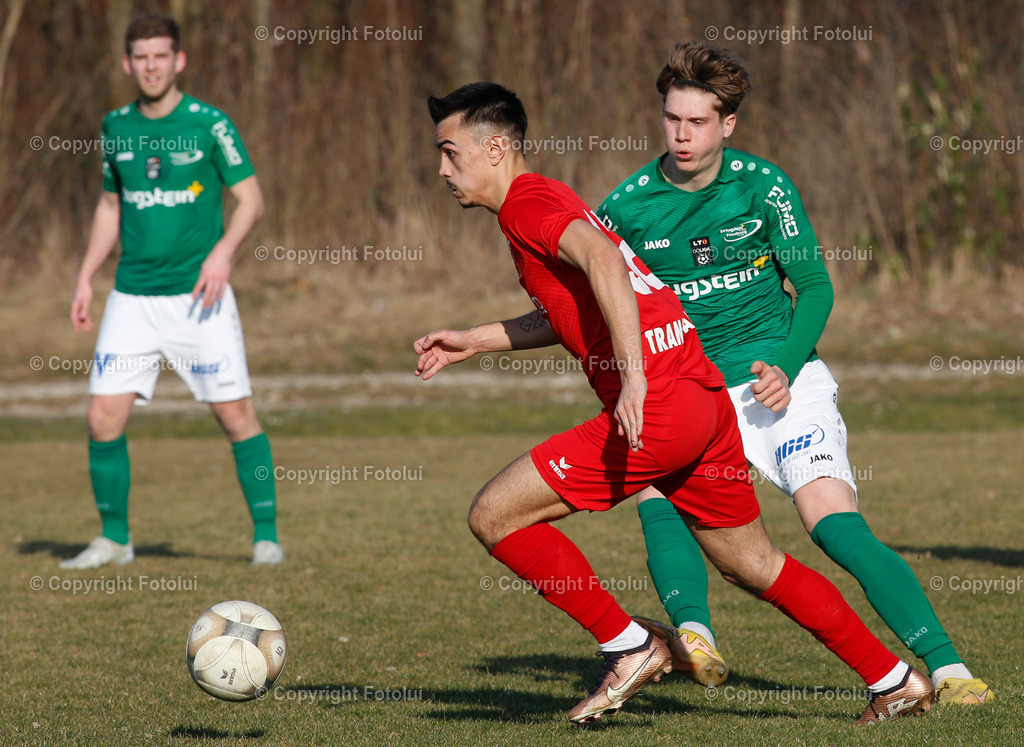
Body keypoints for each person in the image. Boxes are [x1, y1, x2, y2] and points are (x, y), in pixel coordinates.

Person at [416, 81, 933, 724]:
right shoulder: (543, 200)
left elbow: (605, 263)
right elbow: (582, 303)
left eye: (449, 151)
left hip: (659, 403)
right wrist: (478, 339)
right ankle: (894, 680)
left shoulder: (526, 205)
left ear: (495, 147)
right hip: (703, 397)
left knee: (495, 514)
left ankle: (628, 646)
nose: (442, 169)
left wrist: (631, 377)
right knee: (755, 565)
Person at [597, 40, 990, 706]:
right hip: (695, 391)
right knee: (658, 499)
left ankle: (947, 666)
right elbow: (589, 297)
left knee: (831, 522)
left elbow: (813, 286)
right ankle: (694, 634)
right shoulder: (627, 207)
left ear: (728, 125)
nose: (681, 134)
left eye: (696, 122)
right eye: (671, 119)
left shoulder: (764, 185)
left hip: (785, 384)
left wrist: (780, 366)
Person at [62, 13, 283, 569]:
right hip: (132, 298)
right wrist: (87, 273)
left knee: (236, 418)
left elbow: (251, 199)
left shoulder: (210, 123)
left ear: (179, 60)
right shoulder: (115, 126)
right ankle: (114, 540)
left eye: (161, 55)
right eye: (141, 56)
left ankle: (266, 537)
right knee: (101, 419)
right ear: (127, 63)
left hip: (198, 300)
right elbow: (111, 205)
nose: (152, 65)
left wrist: (222, 252)